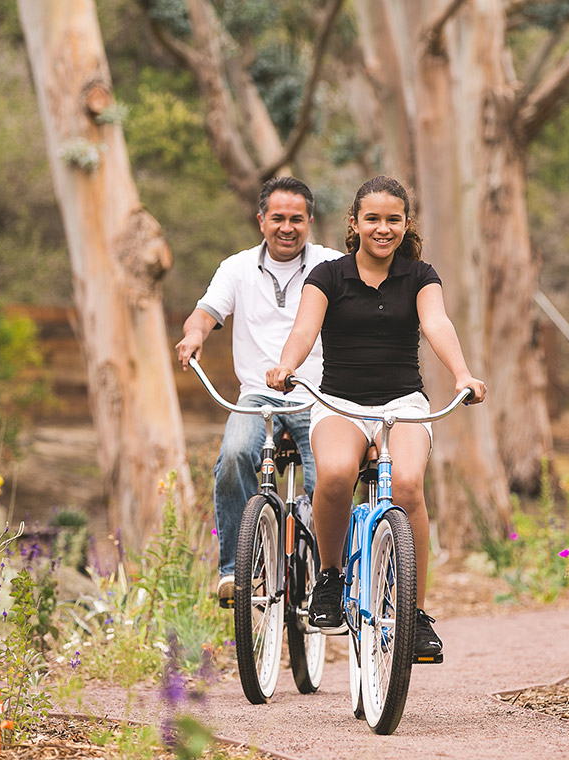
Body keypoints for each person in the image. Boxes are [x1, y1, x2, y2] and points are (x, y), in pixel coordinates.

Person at [265, 175, 486, 660]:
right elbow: (305, 329)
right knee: (338, 474)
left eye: (393, 219)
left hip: (402, 403)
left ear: (406, 224)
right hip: (341, 401)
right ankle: (329, 578)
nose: (383, 229)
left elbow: (436, 324)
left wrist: (463, 373)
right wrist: (286, 364)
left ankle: (417, 615)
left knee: (407, 485)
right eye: (373, 219)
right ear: (354, 223)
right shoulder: (328, 276)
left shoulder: (420, 275)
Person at [176, 176, 343, 604]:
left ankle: (330, 576)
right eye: (277, 218)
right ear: (261, 220)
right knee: (233, 455)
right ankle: (235, 570)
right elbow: (204, 314)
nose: (286, 227)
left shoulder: (331, 265)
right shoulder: (236, 268)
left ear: (309, 221)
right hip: (257, 395)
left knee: (330, 476)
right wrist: (194, 335)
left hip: (318, 394)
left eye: (296, 219)